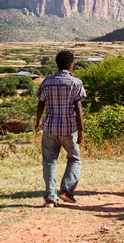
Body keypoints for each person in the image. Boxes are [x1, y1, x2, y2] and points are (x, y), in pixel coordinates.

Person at [34, 50, 85, 207]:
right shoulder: (76, 83)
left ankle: (50, 198)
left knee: (49, 162)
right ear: (71, 65)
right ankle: (66, 190)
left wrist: (38, 121)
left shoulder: (47, 82)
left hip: (50, 128)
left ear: (57, 64)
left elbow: (41, 102)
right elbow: (78, 106)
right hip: (69, 129)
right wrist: (81, 129)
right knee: (74, 158)